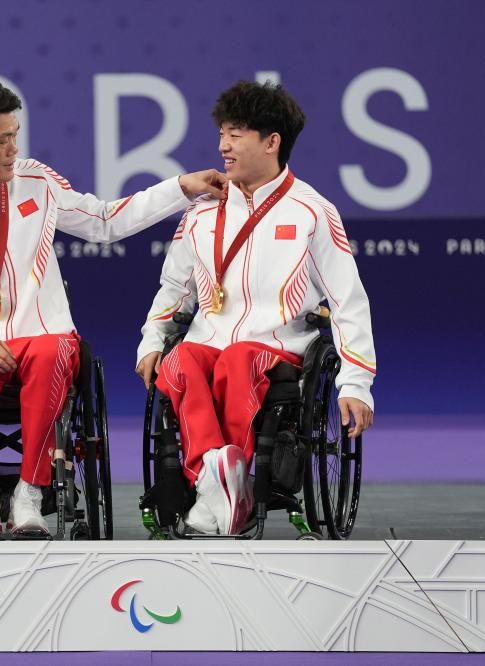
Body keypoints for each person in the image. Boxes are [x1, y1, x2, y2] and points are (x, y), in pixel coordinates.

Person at [0, 76, 225, 535]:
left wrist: (181, 188)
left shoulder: (36, 182)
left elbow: (105, 222)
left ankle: (30, 495)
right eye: (2, 140)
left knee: (53, 351)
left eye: (15, 136)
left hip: (44, 339)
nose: (14, 149)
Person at [135, 81, 376, 535]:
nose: (223, 146)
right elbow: (174, 289)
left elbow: (348, 301)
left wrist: (356, 383)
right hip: (208, 343)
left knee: (239, 358)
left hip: (277, 348)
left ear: (271, 142)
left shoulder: (311, 212)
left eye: (236, 134)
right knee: (180, 359)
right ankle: (218, 480)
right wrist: (152, 340)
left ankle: (217, 485)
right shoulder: (200, 212)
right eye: (222, 134)